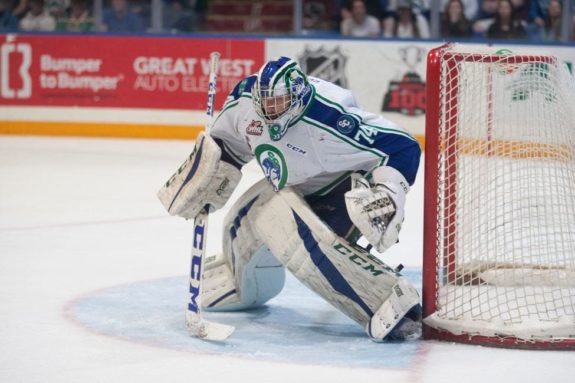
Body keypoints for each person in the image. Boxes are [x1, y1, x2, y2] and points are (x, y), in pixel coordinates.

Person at [158, 57, 422, 342]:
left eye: (278, 103)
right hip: (292, 185)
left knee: (290, 232)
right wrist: (207, 175)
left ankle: (385, 299)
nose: (269, 111)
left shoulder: (330, 117)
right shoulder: (247, 100)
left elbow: (403, 146)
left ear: (297, 96)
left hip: (338, 193)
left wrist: (388, 194)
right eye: (265, 102)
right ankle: (240, 282)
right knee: (242, 221)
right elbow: (229, 145)